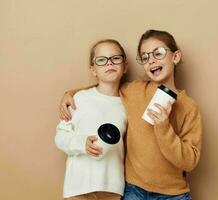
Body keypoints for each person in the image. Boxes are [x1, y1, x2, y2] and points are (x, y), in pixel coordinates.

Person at [59, 30, 202, 200]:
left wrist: (164, 127)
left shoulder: (189, 107)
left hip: (173, 194)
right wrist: (70, 93)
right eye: (145, 57)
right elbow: (106, 85)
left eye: (158, 53)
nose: (152, 60)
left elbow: (189, 162)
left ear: (175, 56)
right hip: (135, 190)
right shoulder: (133, 91)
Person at [55, 39, 128, 200]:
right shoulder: (78, 99)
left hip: (112, 188)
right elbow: (60, 137)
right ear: (93, 70)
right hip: (78, 186)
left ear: (125, 66)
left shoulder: (128, 105)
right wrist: (82, 144)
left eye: (115, 58)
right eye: (101, 60)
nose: (109, 63)